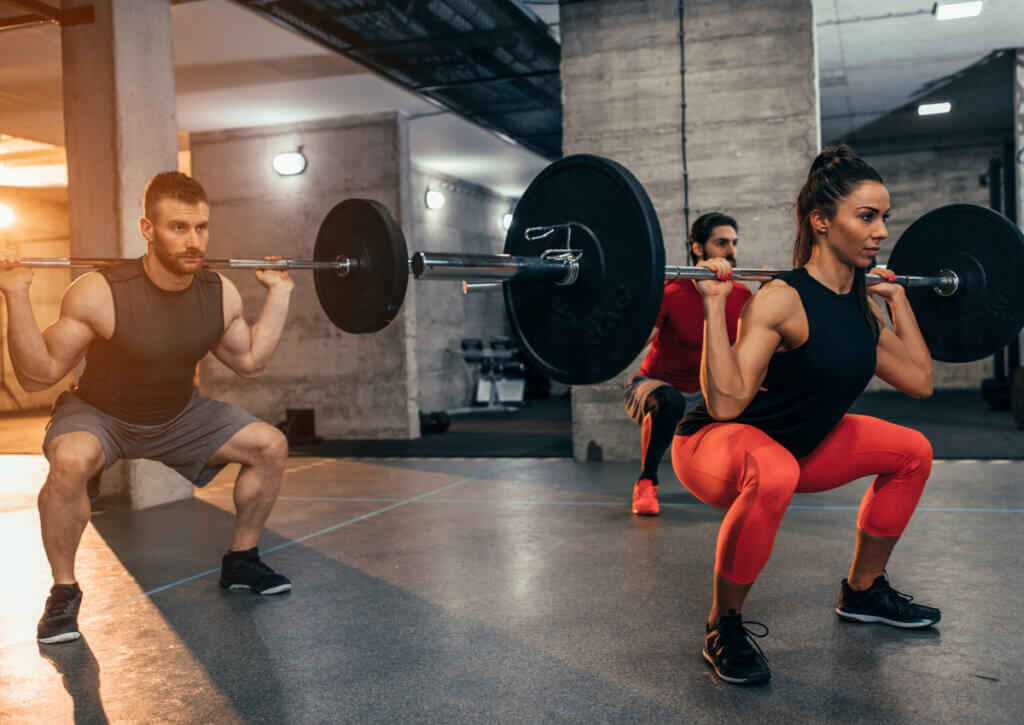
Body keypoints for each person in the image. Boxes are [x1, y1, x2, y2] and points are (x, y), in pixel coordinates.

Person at [672, 144, 940, 685]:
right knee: (775, 471)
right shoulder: (781, 298)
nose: (881, 232)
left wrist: (898, 300)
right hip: (716, 444)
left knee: (914, 452)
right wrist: (709, 304)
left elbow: (920, 380)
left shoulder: (861, 307)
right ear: (820, 221)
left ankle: (863, 591)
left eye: (883, 218)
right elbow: (726, 403)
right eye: (866, 217)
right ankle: (723, 625)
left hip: (800, 444)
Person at [0, 172, 295, 645]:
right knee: (70, 462)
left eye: (201, 228)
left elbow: (251, 363)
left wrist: (279, 294)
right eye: (178, 227)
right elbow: (39, 375)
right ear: (147, 229)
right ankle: (63, 591)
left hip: (179, 415)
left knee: (270, 445)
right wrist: (16, 295)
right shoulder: (100, 291)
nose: (194, 240)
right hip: (100, 413)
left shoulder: (219, 293)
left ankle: (242, 561)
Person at [623, 214, 751, 515]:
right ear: (697, 247)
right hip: (655, 388)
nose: (731, 251)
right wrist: (642, 297)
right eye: (721, 243)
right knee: (669, 401)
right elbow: (630, 344)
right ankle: (646, 482)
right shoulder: (672, 291)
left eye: (733, 243)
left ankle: (737, 482)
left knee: (755, 393)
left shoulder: (742, 295)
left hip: (705, 394)